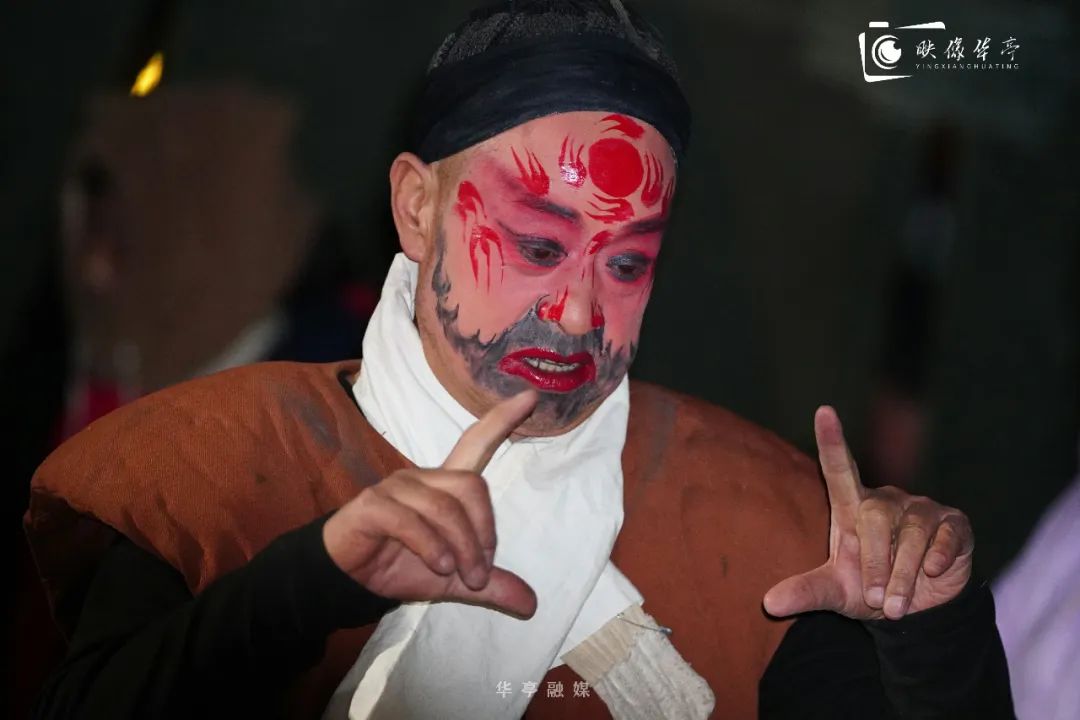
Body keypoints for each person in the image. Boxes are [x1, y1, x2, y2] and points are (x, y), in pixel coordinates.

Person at [25, 2, 1013, 718]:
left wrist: (932, 633)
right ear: (417, 208)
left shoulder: (760, 519)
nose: (578, 311)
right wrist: (304, 585)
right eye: (538, 245)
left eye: (626, 262)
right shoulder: (211, 464)